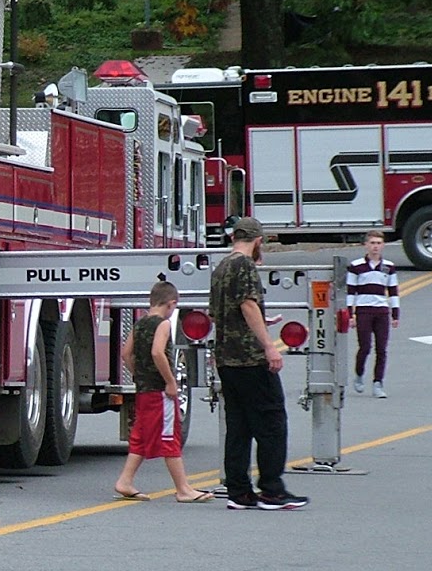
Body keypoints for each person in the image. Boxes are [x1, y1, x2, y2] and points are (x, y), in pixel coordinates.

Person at [208, 217, 308, 511]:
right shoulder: (245, 265)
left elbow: (217, 313)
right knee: (271, 422)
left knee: (238, 427)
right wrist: (268, 345)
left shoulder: (221, 267)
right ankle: (272, 490)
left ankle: (238, 490)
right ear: (258, 241)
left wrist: (261, 322)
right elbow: (247, 304)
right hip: (250, 358)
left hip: (227, 358)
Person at [112, 281, 212, 503]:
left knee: (139, 435)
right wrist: (170, 381)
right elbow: (158, 352)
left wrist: (138, 373)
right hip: (160, 391)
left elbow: (126, 353)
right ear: (171, 304)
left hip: (144, 389)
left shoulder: (140, 323)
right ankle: (183, 488)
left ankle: (125, 481)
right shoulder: (164, 324)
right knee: (170, 436)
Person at [346, 230, 400, 399]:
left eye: (378, 243)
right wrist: (350, 315)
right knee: (365, 347)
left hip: (382, 311)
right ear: (366, 245)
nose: (375, 247)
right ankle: (359, 374)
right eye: (372, 243)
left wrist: (395, 314)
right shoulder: (356, 266)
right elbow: (350, 292)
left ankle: (378, 383)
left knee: (381, 349)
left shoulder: (388, 267)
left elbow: (393, 292)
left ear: (383, 246)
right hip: (363, 310)